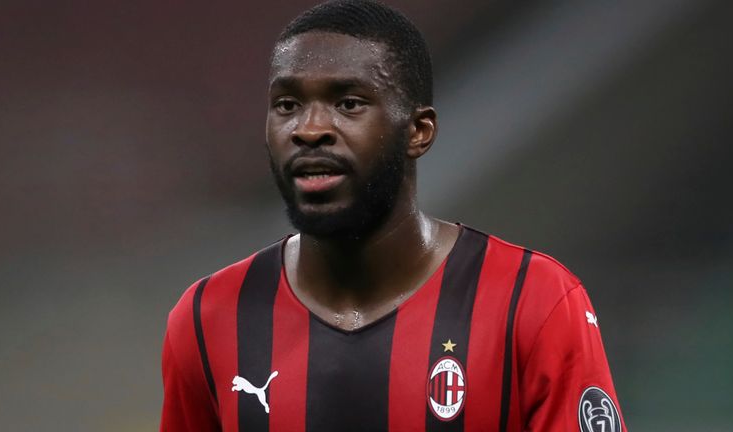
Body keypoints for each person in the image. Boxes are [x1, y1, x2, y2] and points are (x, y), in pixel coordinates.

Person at [160, 1, 627, 431]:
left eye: (349, 103)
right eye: (287, 105)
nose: (310, 129)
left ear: (418, 131)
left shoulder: (534, 301)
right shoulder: (209, 317)